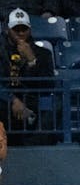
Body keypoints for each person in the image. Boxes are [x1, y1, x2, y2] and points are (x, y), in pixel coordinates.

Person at [2, 8, 55, 140]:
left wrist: (32, 60)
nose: (20, 33)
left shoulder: (43, 54)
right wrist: (13, 100)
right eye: (16, 29)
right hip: (4, 102)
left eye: (24, 29)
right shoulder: (1, 52)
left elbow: (48, 85)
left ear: (30, 29)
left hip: (31, 104)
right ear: (7, 30)